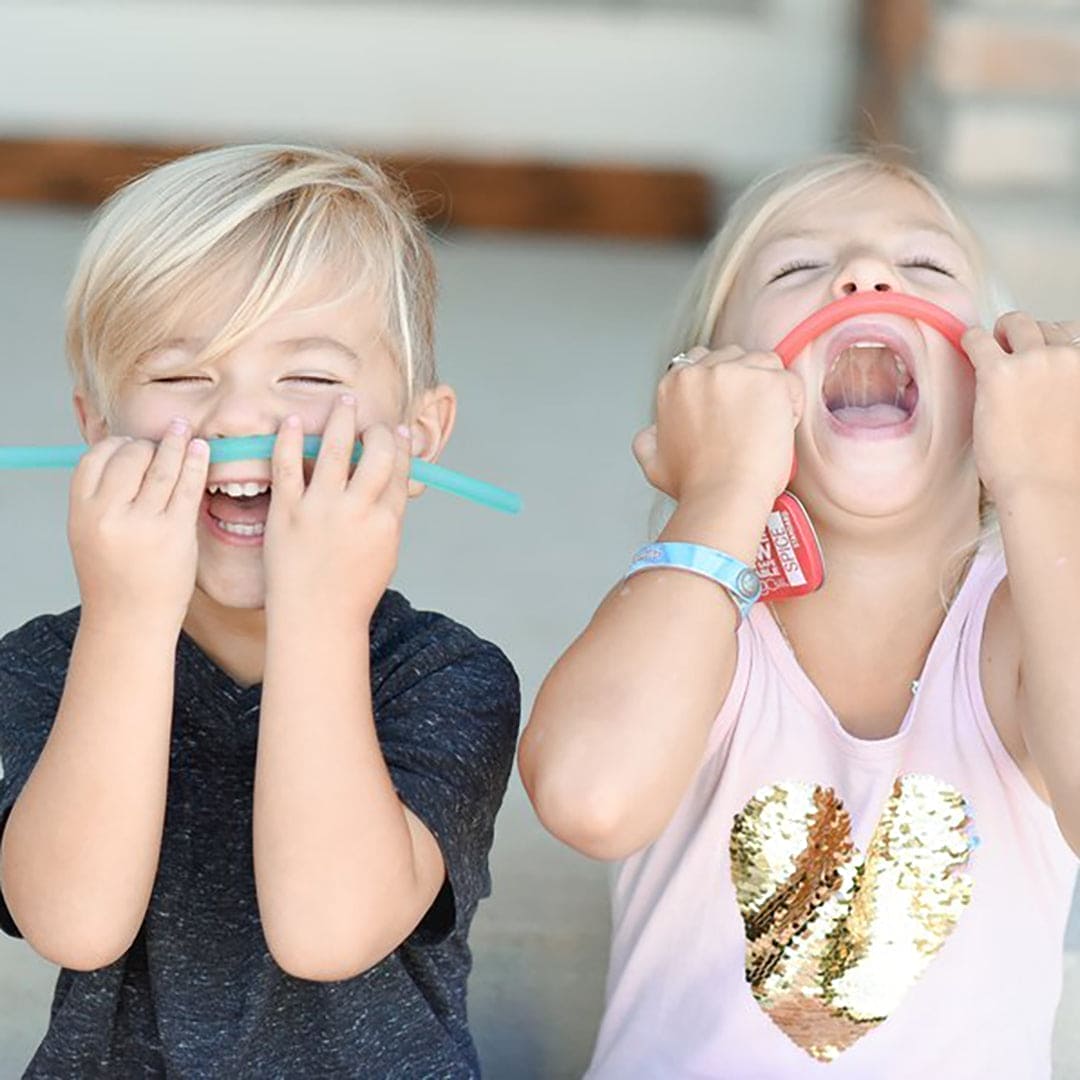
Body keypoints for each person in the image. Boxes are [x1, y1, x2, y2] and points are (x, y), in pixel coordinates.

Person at [519, 152, 1080, 1078]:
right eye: (795, 270)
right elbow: (591, 799)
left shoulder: (1031, 616)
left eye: (927, 267)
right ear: (718, 385)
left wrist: (1048, 485)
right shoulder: (695, 614)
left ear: (998, 381)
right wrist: (723, 491)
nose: (865, 278)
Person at [0, 144, 519, 1079]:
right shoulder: (41, 667)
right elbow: (72, 923)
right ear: (95, 430)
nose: (239, 416)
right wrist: (124, 619)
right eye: (177, 376)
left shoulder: (447, 676)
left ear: (422, 438)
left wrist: (320, 610)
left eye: (312, 381)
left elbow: (330, 929)